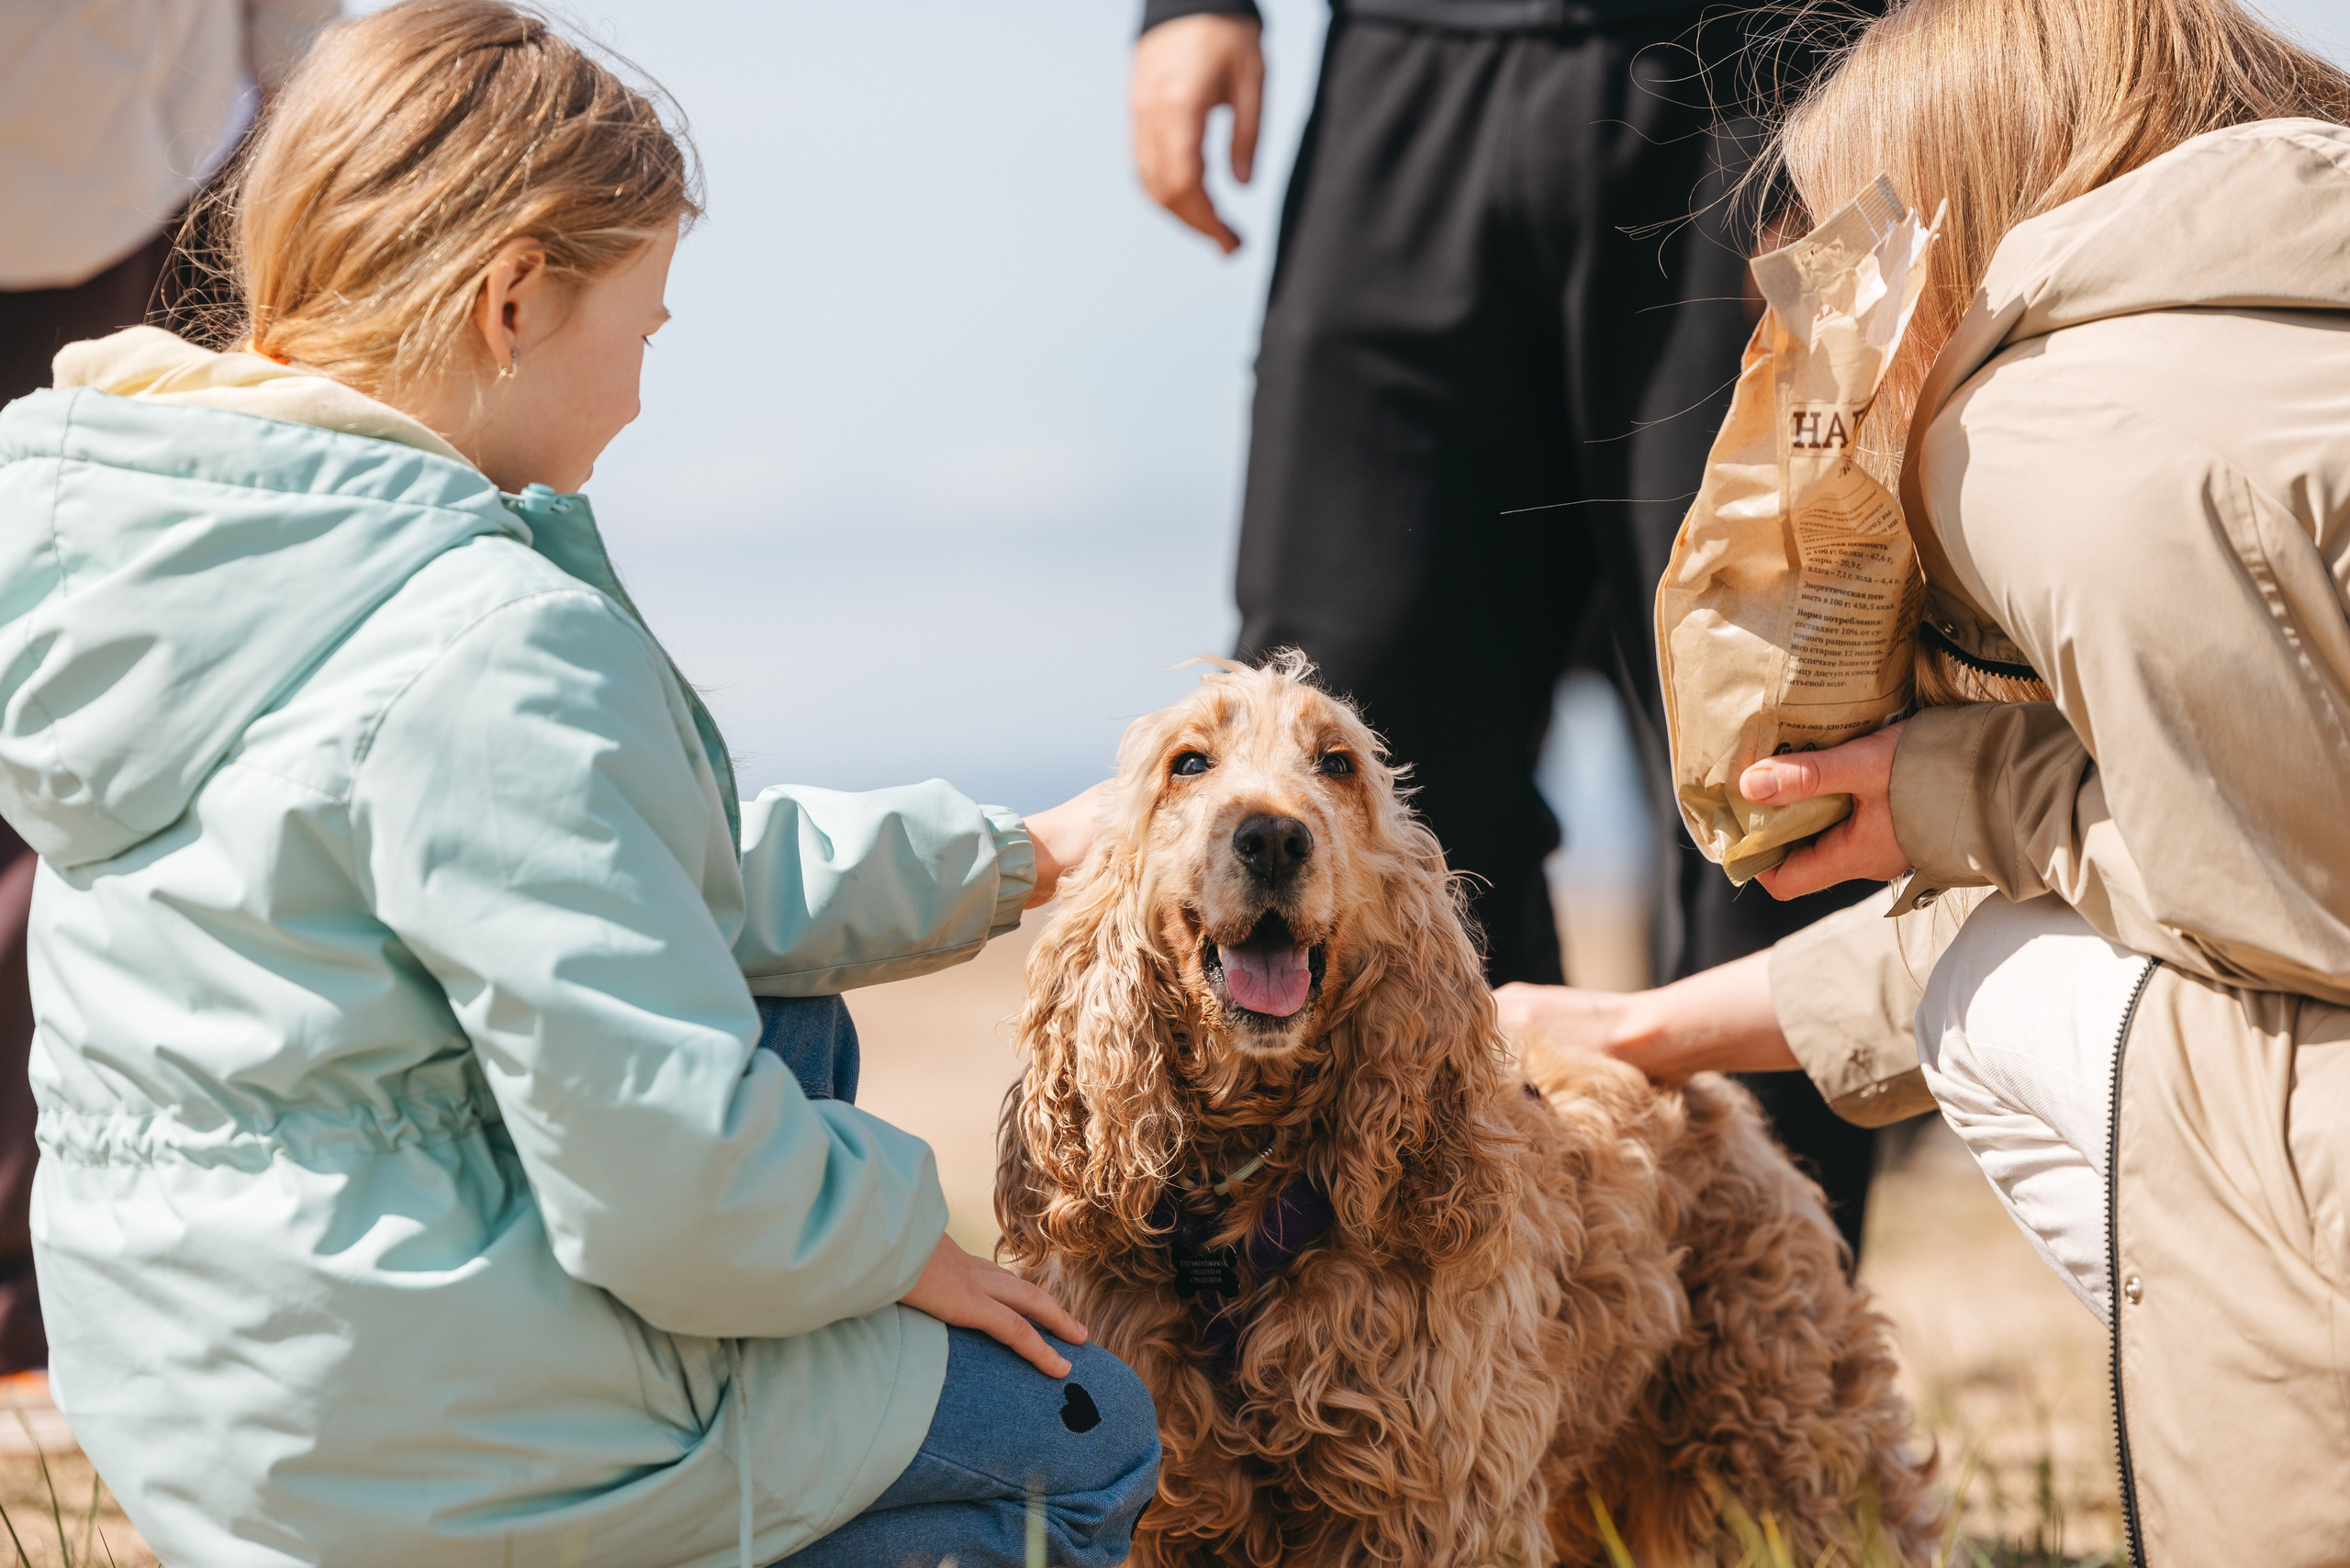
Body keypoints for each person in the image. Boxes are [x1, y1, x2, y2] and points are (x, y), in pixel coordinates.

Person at [0, 6, 1157, 1565]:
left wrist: (1021, 855)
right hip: (414, 1434)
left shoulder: (161, 551)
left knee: (787, 1021)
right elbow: (670, 1185)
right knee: (1083, 1436)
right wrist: (901, 1247)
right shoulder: (485, 641)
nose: (641, 391)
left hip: (204, 1399)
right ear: (514, 298)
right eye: (646, 328)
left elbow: (649, 878)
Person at [1500, 0, 2350, 1561]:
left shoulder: (2050, 439)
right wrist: (1645, 1028)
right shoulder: (2277, 303)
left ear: (1934, 207)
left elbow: (2292, 902)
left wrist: (1980, 794)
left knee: (1997, 991)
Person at [1131, 0, 1897, 1260]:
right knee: (1344, 738)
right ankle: (1427, 1309)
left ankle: (1764, 1331)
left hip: (1775, 67)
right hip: (1412, 61)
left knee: (1782, 757)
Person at [0, 0, 340, 1386]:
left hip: (154, 180)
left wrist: (296, 129)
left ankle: (47, 1289)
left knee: (125, 734)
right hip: (145, 173)